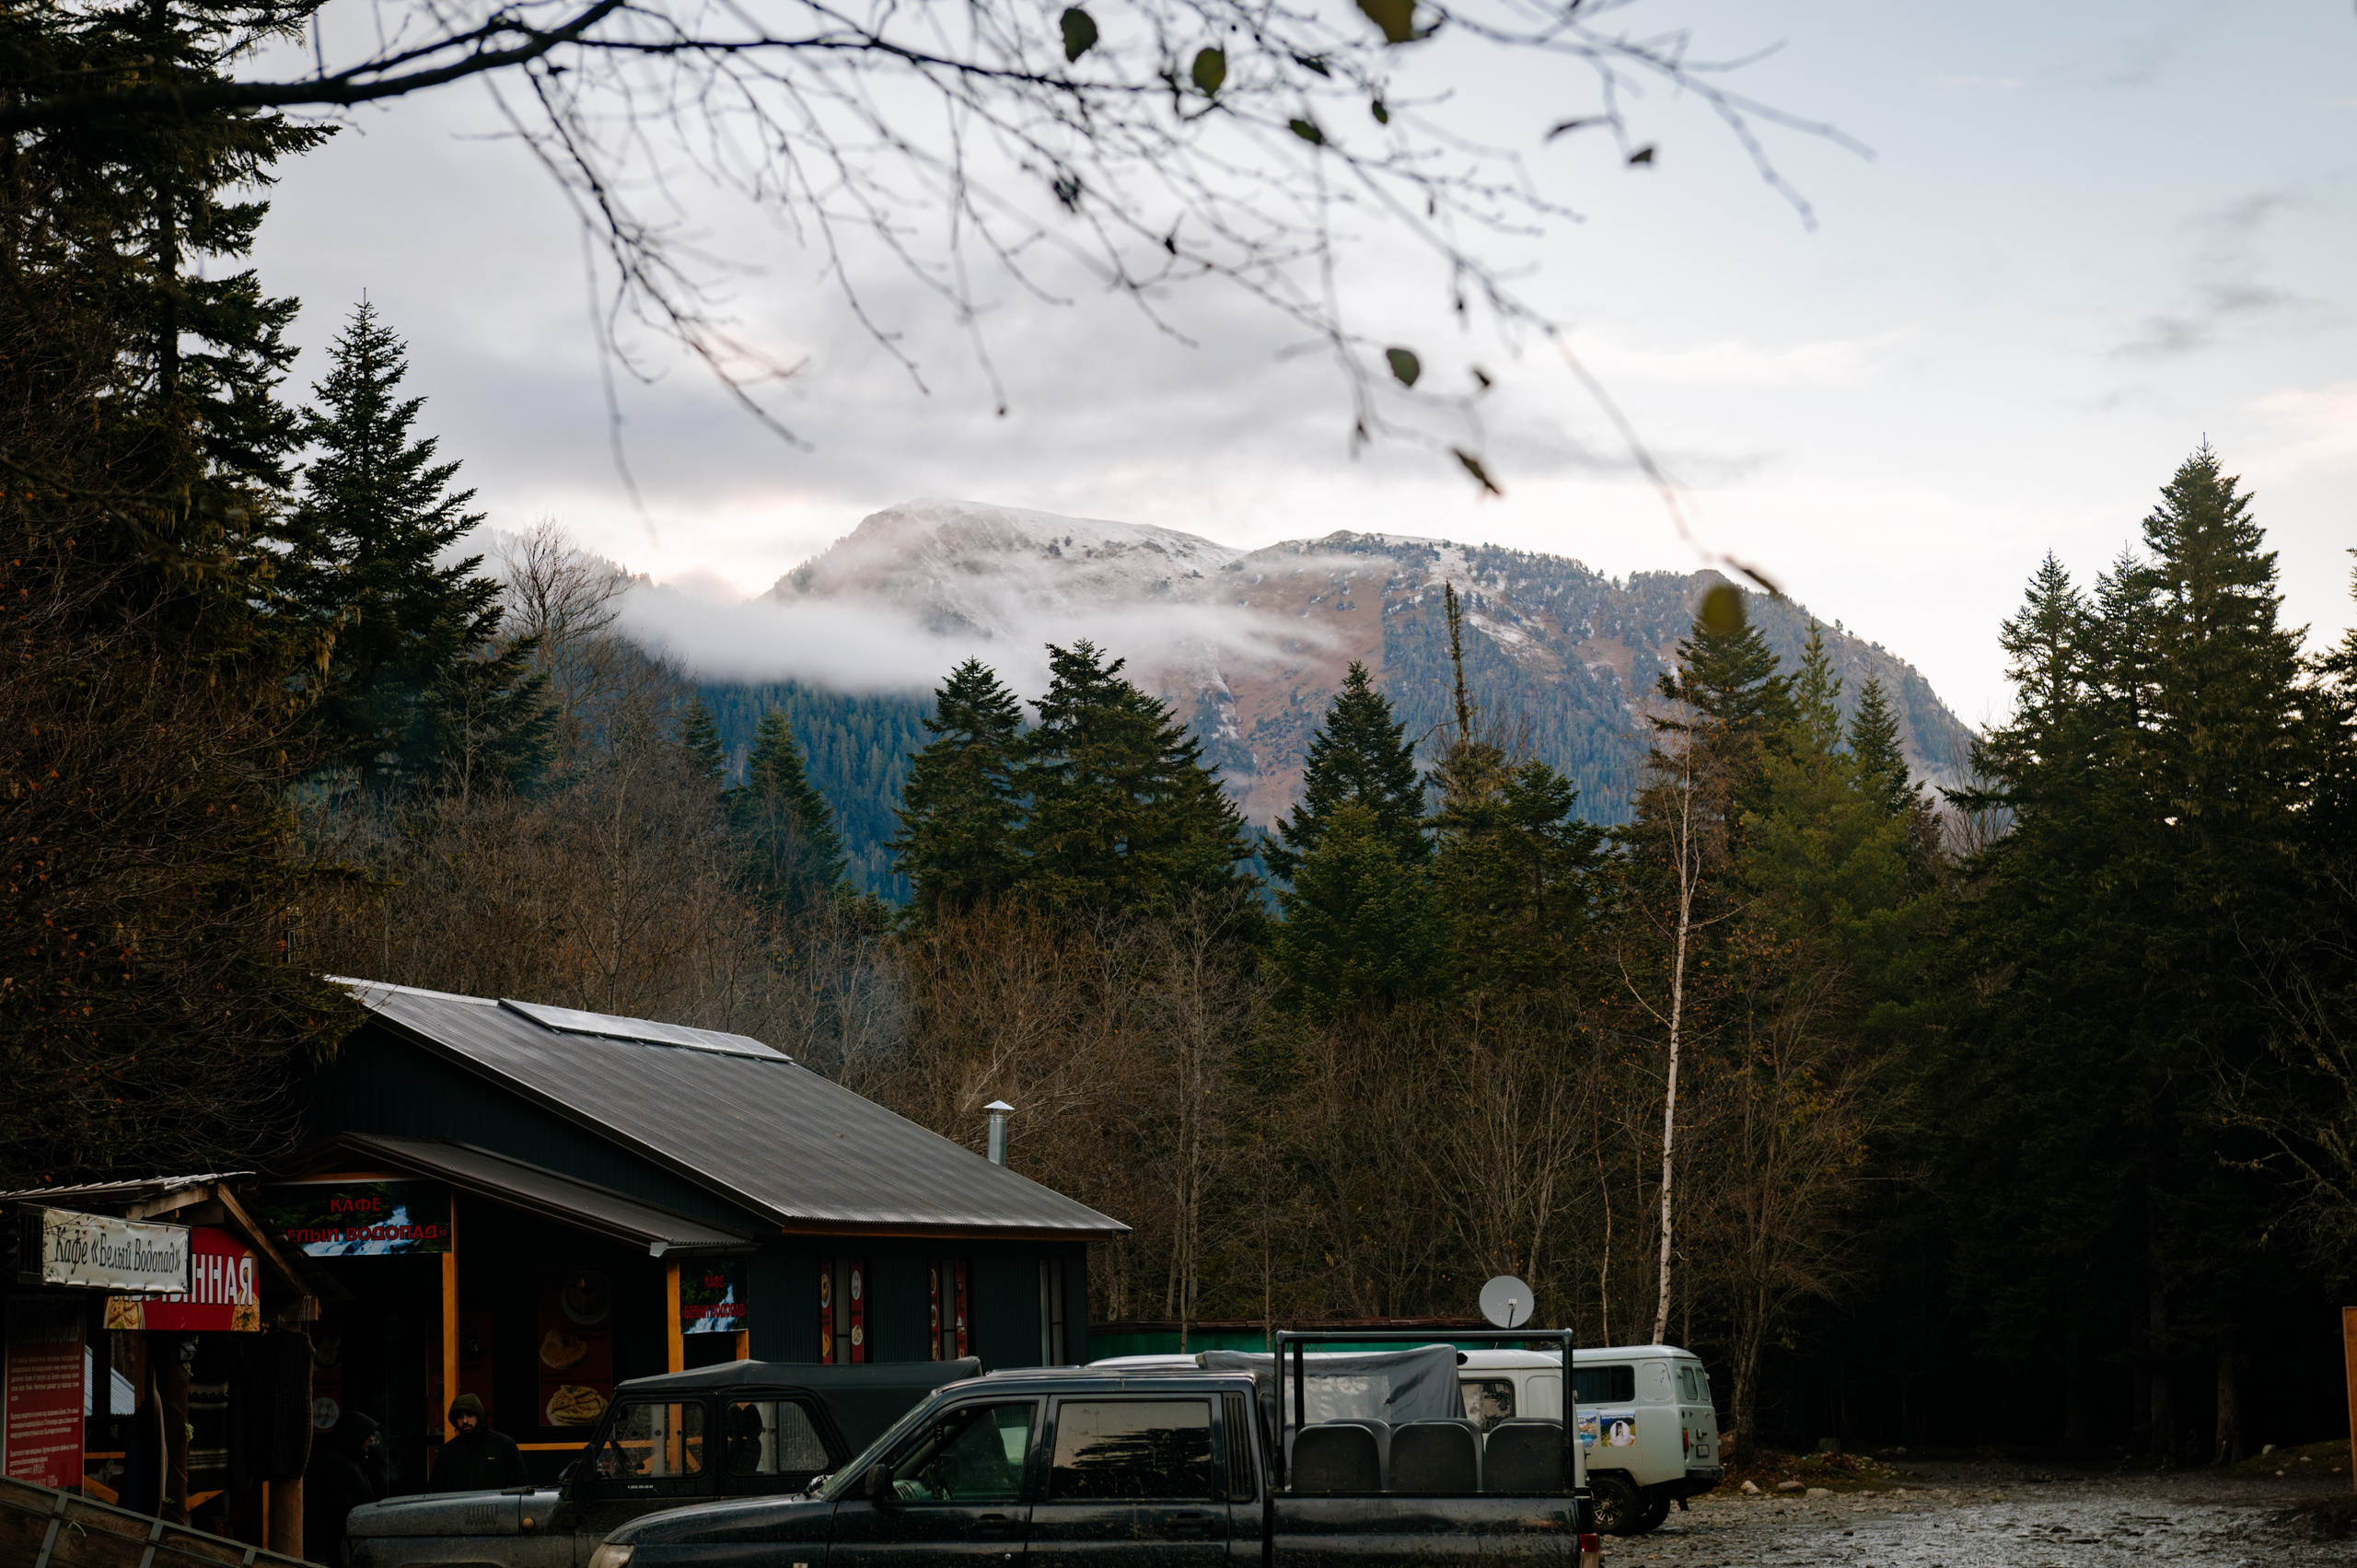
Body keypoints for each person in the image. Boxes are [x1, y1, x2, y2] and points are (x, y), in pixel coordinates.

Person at [304, 1410, 379, 1565]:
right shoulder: (338, 1462)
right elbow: (340, 1508)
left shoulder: (353, 1460)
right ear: (356, 1436)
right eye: (367, 1434)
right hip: (345, 1542)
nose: (371, 1439)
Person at [430, 1393, 528, 1491]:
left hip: (496, 1505)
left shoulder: (504, 1445)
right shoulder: (447, 1452)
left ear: (479, 1415)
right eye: (460, 1416)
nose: (465, 1421)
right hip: (458, 1505)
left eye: (470, 1415)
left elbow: (520, 1487)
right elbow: (436, 1492)